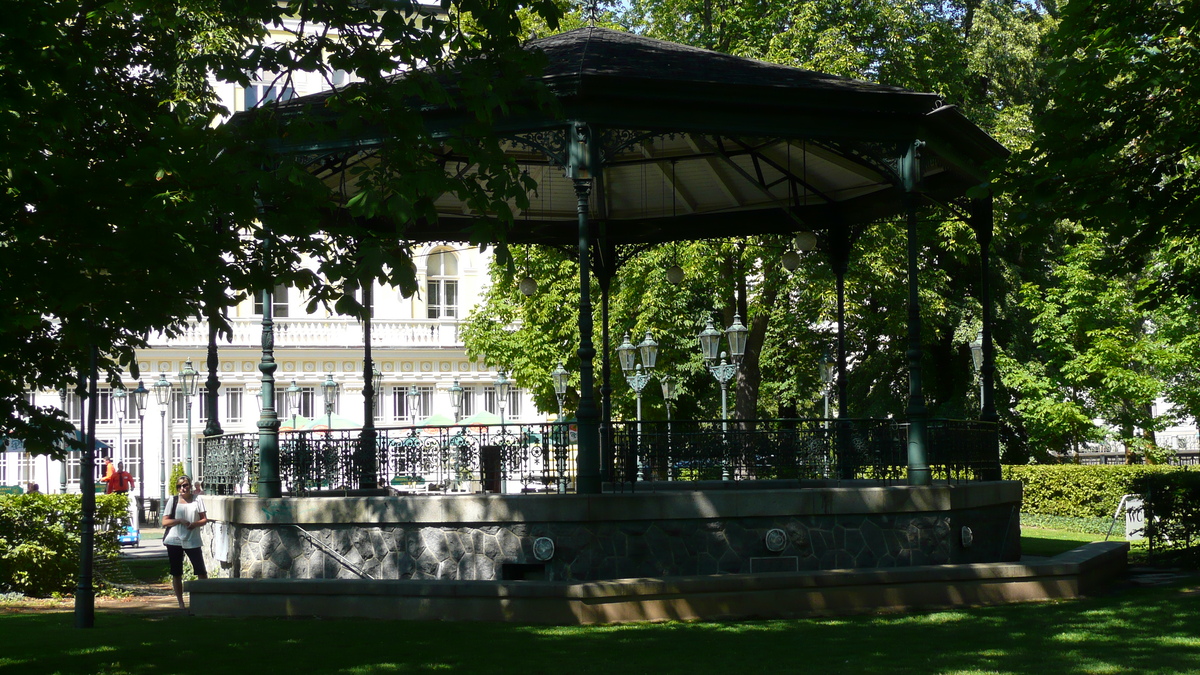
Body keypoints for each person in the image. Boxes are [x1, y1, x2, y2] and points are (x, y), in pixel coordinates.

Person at [162, 474, 208, 609]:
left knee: (201, 571)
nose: (183, 488)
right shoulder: (173, 500)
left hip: (192, 540)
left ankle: (203, 600)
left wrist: (195, 524)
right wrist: (179, 521)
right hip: (174, 540)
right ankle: (181, 603)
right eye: (180, 486)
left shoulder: (197, 499)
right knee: (176, 572)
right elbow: (164, 521)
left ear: (190, 485)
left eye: (185, 485)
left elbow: (204, 519)